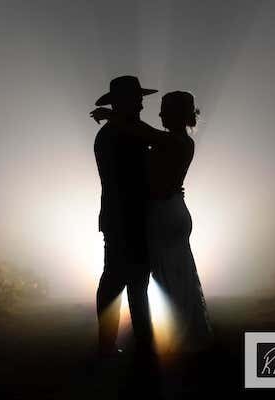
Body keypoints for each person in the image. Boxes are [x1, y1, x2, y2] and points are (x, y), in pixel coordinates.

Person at [91, 91, 213, 353]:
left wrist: (113, 115)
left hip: (164, 214)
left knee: (168, 276)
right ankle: (176, 339)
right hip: (172, 211)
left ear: (177, 114)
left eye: (164, 110)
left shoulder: (173, 141)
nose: (158, 114)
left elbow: (149, 135)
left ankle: (177, 341)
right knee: (176, 275)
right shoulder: (178, 141)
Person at [93, 75, 157, 358]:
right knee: (119, 280)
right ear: (124, 102)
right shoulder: (116, 134)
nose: (142, 103)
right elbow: (153, 141)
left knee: (129, 280)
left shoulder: (118, 131)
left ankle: (132, 342)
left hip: (126, 216)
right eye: (137, 99)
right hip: (124, 217)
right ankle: (117, 344)